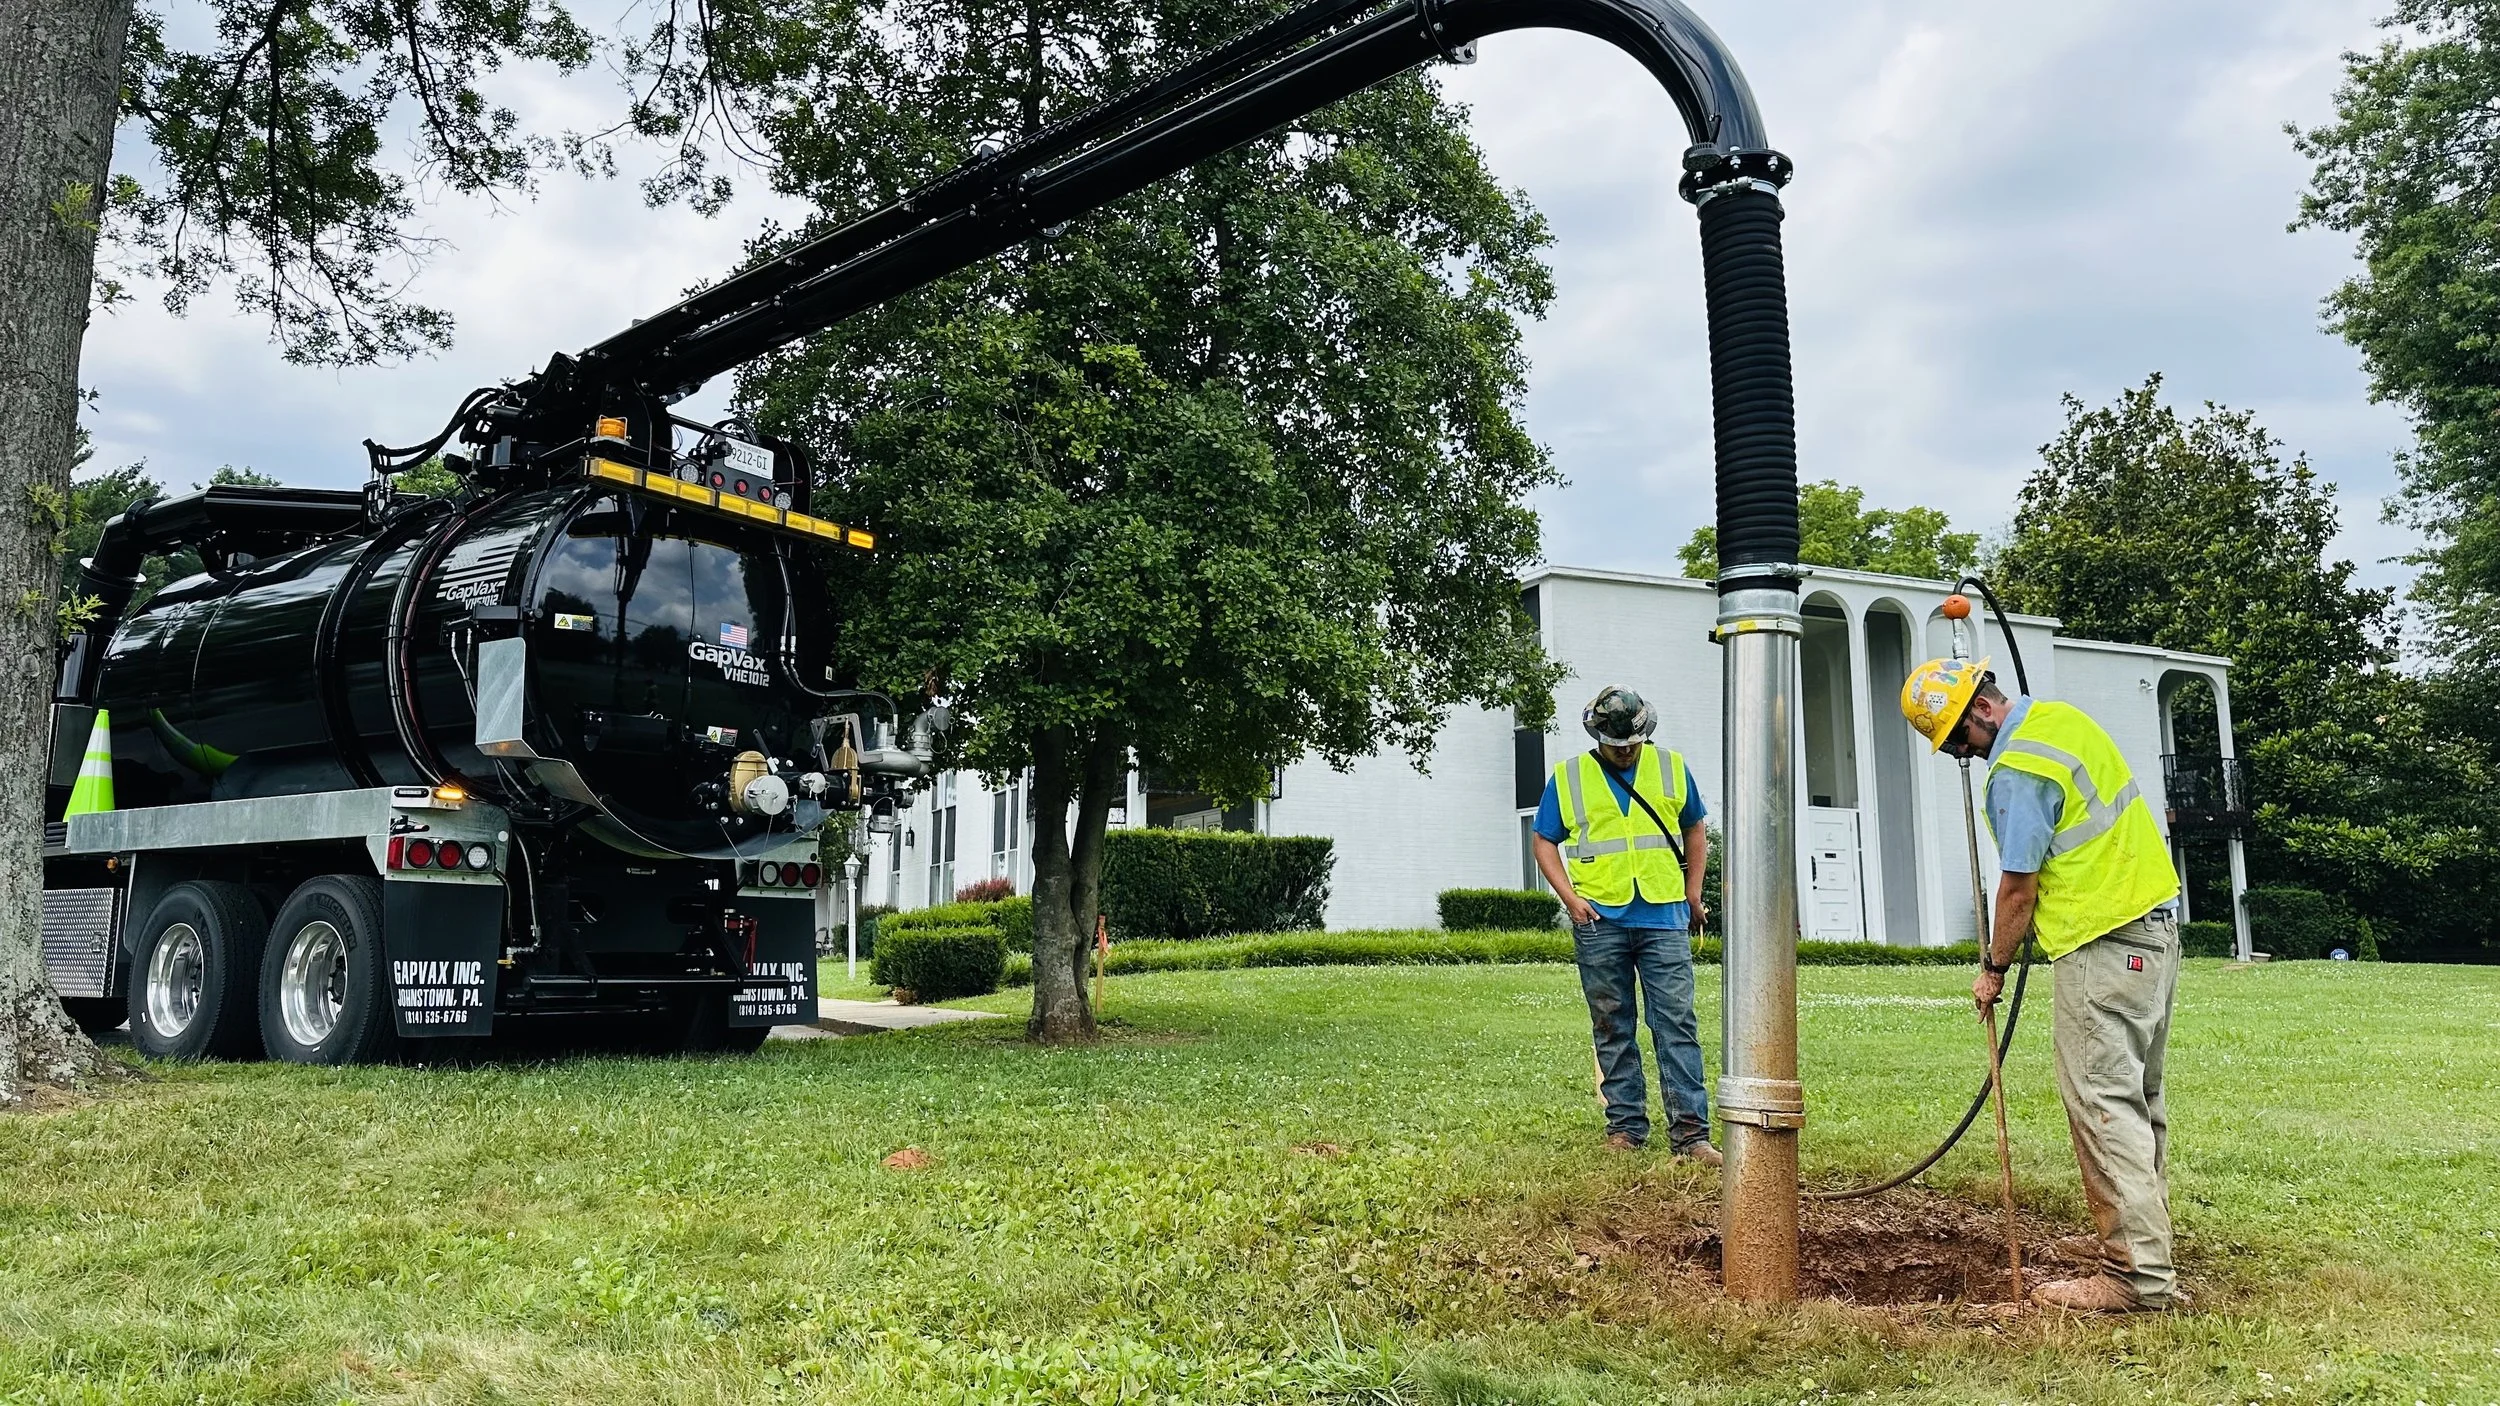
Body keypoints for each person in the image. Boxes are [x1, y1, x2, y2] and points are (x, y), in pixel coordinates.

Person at [1901, 657, 2184, 1313]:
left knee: (2105, 1108)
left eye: (1956, 742)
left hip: (2103, 943)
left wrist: (1993, 967)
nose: (1959, 756)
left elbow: (2018, 888)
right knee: (2136, 1103)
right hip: (2152, 936)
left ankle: (2135, 1278)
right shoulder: (2063, 722)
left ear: (1979, 710)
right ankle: (2147, 1251)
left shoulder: (2017, 767)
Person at [1530, 685, 1718, 1165]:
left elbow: (1695, 828)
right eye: (1616, 745)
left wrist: (1693, 891)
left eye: (1632, 743)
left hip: (1663, 916)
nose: (1625, 751)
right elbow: (1544, 841)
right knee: (1613, 1025)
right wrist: (1570, 900)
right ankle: (1626, 1128)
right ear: (1597, 736)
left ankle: (1692, 1136)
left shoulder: (1672, 766)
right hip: (1599, 919)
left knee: (1676, 1022)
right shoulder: (1569, 777)